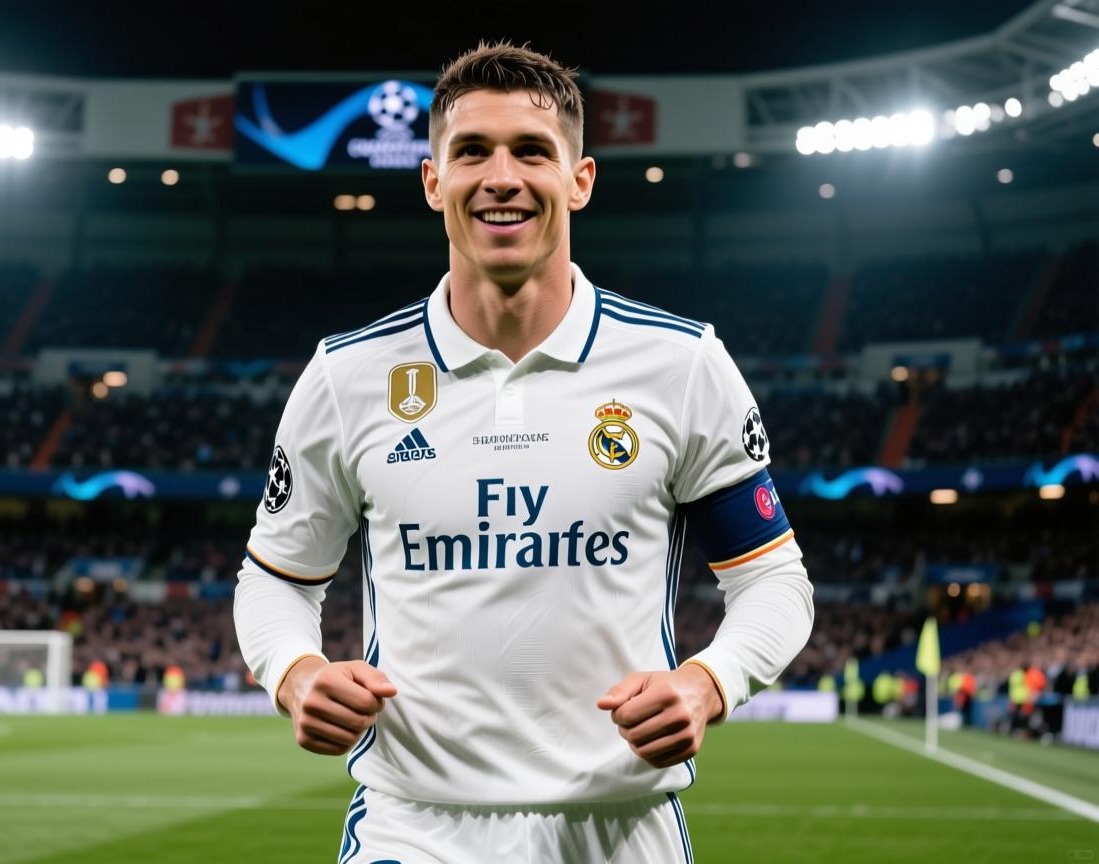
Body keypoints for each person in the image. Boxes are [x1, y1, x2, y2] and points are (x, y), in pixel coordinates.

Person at [234, 40, 814, 864]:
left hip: (621, 826)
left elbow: (772, 581)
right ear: (432, 181)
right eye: (472, 151)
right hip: (414, 824)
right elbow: (275, 578)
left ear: (580, 179)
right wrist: (295, 672)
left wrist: (708, 682)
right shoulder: (347, 377)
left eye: (532, 151)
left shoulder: (682, 366)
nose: (500, 176)